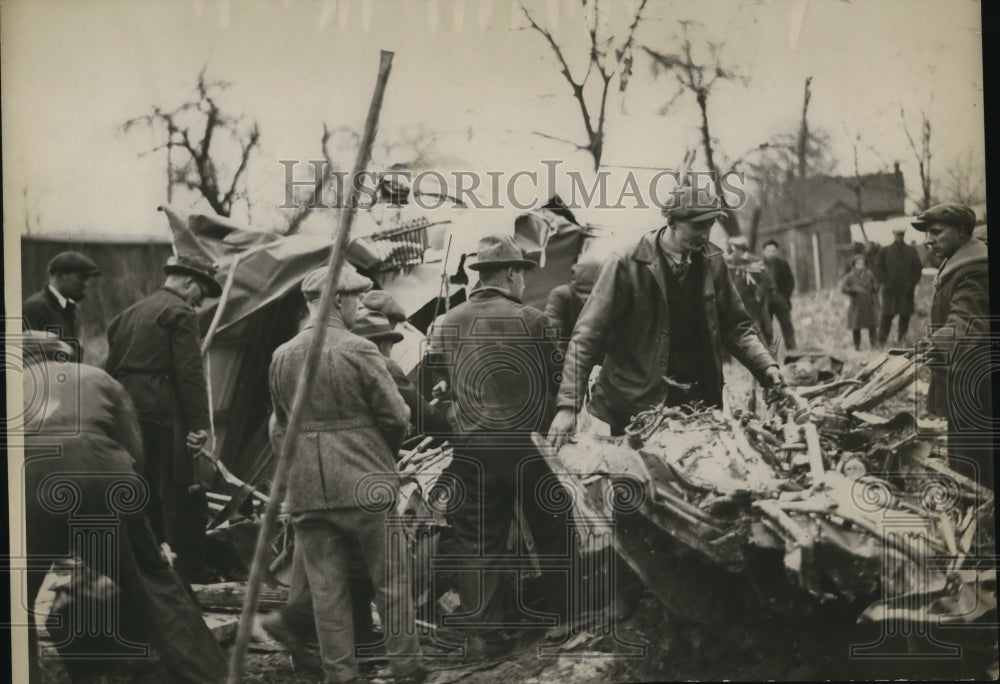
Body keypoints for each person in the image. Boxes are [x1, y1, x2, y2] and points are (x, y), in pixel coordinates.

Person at [547, 186, 786, 619]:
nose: (705, 234)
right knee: (628, 497)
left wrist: (767, 369)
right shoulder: (626, 263)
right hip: (631, 403)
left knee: (699, 491)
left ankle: (702, 584)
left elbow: (738, 326)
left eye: (710, 225)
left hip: (695, 401)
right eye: (697, 226)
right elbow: (587, 337)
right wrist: (567, 405)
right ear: (671, 223)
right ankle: (625, 591)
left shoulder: (712, 262)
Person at [20, 332, 227, 684]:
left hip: (31, 478)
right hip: (105, 472)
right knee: (152, 580)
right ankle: (210, 674)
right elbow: (134, 451)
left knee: (14, 592)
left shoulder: (14, 384)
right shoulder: (100, 378)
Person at [268, 263, 424, 684]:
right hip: (365, 483)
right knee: (390, 581)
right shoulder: (359, 349)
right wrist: (380, 457)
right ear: (338, 300)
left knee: (325, 592)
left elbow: (278, 430)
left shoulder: (281, 356)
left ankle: (341, 675)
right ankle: (407, 668)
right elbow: (397, 416)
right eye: (355, 297)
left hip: (308, 492)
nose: (358, 306)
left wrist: (292, 481)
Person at [425, 234, 573, 657]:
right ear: (510, 273)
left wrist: (455, 415)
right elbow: (559, 381)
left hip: (472, 448)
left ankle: (485, 637)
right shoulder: (534, 320)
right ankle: (567, 619)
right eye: (523, 273)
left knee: (477, 540)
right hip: (527, 446)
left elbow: (435, 386)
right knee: (551, 530)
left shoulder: (446, 323)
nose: (524, 282)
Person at [104, 254, 222, 585]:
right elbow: (189, 373)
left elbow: (109, 369)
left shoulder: (127, 314)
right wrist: (200, 425)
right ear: (188, 282)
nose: (201, 301)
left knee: (141, 488)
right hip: (164, 412)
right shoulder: (180, 312)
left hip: (127, 411)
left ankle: (147, 564)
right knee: (184, 491)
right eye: (202, 291)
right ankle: (192, 570)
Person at [912, 203, 993, 487]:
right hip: (965, 376)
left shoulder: (974, 270)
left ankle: (979, 519)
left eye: (936, 232)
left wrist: (934, 343)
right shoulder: (957, 262)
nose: (928, 240)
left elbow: (968, 323)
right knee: (965, 453)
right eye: (926, 234)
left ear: (960, 232)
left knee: (974, 460)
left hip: (976, 382)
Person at [22, 251, 102, 360]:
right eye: (81, 278)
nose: (86, 285)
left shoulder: (68, 307)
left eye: (88, 279)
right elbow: (29, 359)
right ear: (59, 276)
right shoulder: (35, 307)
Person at [873, 228, 924, 345]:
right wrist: (886, 282)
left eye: (901, 235)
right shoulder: (885, 251)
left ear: (904, 235)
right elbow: (877, 269)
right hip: (890, 290)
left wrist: (911, 284)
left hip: (906, 290)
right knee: (886, 315)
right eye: (897, 235)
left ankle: (902, 340)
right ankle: (881, 341)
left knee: (905, 315)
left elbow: (918, 269)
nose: (899, 237)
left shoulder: (911, 251)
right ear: (893, 235)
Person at [725, 235, 775, 345]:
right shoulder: (732, 262)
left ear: (740, 248)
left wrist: (759, 293)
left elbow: (765, 280)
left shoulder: (754, 261)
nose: (731, 252)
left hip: (754, 299)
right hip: (738, 299)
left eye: (733, 249)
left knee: (761, 325)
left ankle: (768, 349)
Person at [544, 258, 602, 351]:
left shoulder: (605, 298)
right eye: (583, 297)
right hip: (565, 354)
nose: (585, 301)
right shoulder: (561, 295)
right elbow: (553, 334)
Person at [761, 239, 797, 350]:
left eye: (773, 251)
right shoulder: (758, 265)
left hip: (780, 297)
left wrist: (785, 296)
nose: (771, 253)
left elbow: (790, 281)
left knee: (787, 325)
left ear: (776, 252)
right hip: (765, 300)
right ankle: (768, 352)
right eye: (768, 251)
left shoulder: (782, 264)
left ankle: (792, 351)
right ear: (763, 251)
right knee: (766, 327)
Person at [839, 255, 880, 351]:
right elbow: (843, 288)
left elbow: (876, 285)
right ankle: (857, 346)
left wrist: (875, 287)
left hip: (869, 304)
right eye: (858, 263)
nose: (860, 265)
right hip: (856, 305)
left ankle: (874, 345)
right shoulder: (849, 276)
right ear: (854, 265)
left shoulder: (869, 275)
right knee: (856, 326)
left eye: (862, 263)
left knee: (872, 325)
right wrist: (852, 290)